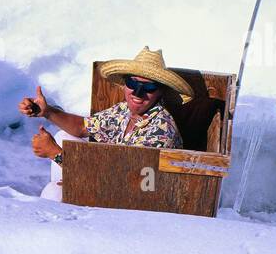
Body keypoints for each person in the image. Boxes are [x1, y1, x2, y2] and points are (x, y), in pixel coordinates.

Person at [19, 47, 192, 165]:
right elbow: (82, 127)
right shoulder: (125, 110)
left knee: (54, 194)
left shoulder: (160, 131)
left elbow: (121, 181)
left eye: (149, 87)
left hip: (138, 203)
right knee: (64, 135)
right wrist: (47, 112)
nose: (138, 93)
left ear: (160, 92)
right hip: (114, 184)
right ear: (125, 83)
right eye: (132, 83)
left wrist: (55, 154)